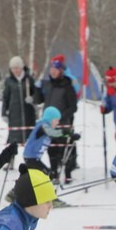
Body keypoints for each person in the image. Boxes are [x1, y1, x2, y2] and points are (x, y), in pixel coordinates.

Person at [37, 56, 80, 184]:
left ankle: (67, 174)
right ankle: (54, 174)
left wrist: (61, 116)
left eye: (56, 69)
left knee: (65, 149)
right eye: (52, 69)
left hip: (63, 123)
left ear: (61, 71)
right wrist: (36, 91)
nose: (53, 71)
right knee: (51, 150)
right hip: (49, 124)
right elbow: (39, 100)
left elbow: (73, 107)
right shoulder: (48, 84)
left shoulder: (67, 85)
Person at [2, 56, 42, 147]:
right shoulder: (9, 81)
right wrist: (4, 112)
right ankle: (12, 158)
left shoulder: (29, 79)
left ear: (21, 67)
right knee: (14, 140)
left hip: (28, 114)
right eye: (12, 68)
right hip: (14, 115)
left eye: (16, 68)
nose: (15, 70)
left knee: (29, 139)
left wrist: (32, 98)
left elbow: (37, 95)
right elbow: (5, 98)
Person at [23, 106, 62, 172]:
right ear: (50, 119)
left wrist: (70, 135)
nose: (58, 123)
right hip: (30, 158)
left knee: (46, 174)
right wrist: (66, 132)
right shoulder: (42, 125)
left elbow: (57, 136)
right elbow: (51, 133)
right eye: (56, 120)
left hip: (35, 158)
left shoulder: (47, 126)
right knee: (47, 174)